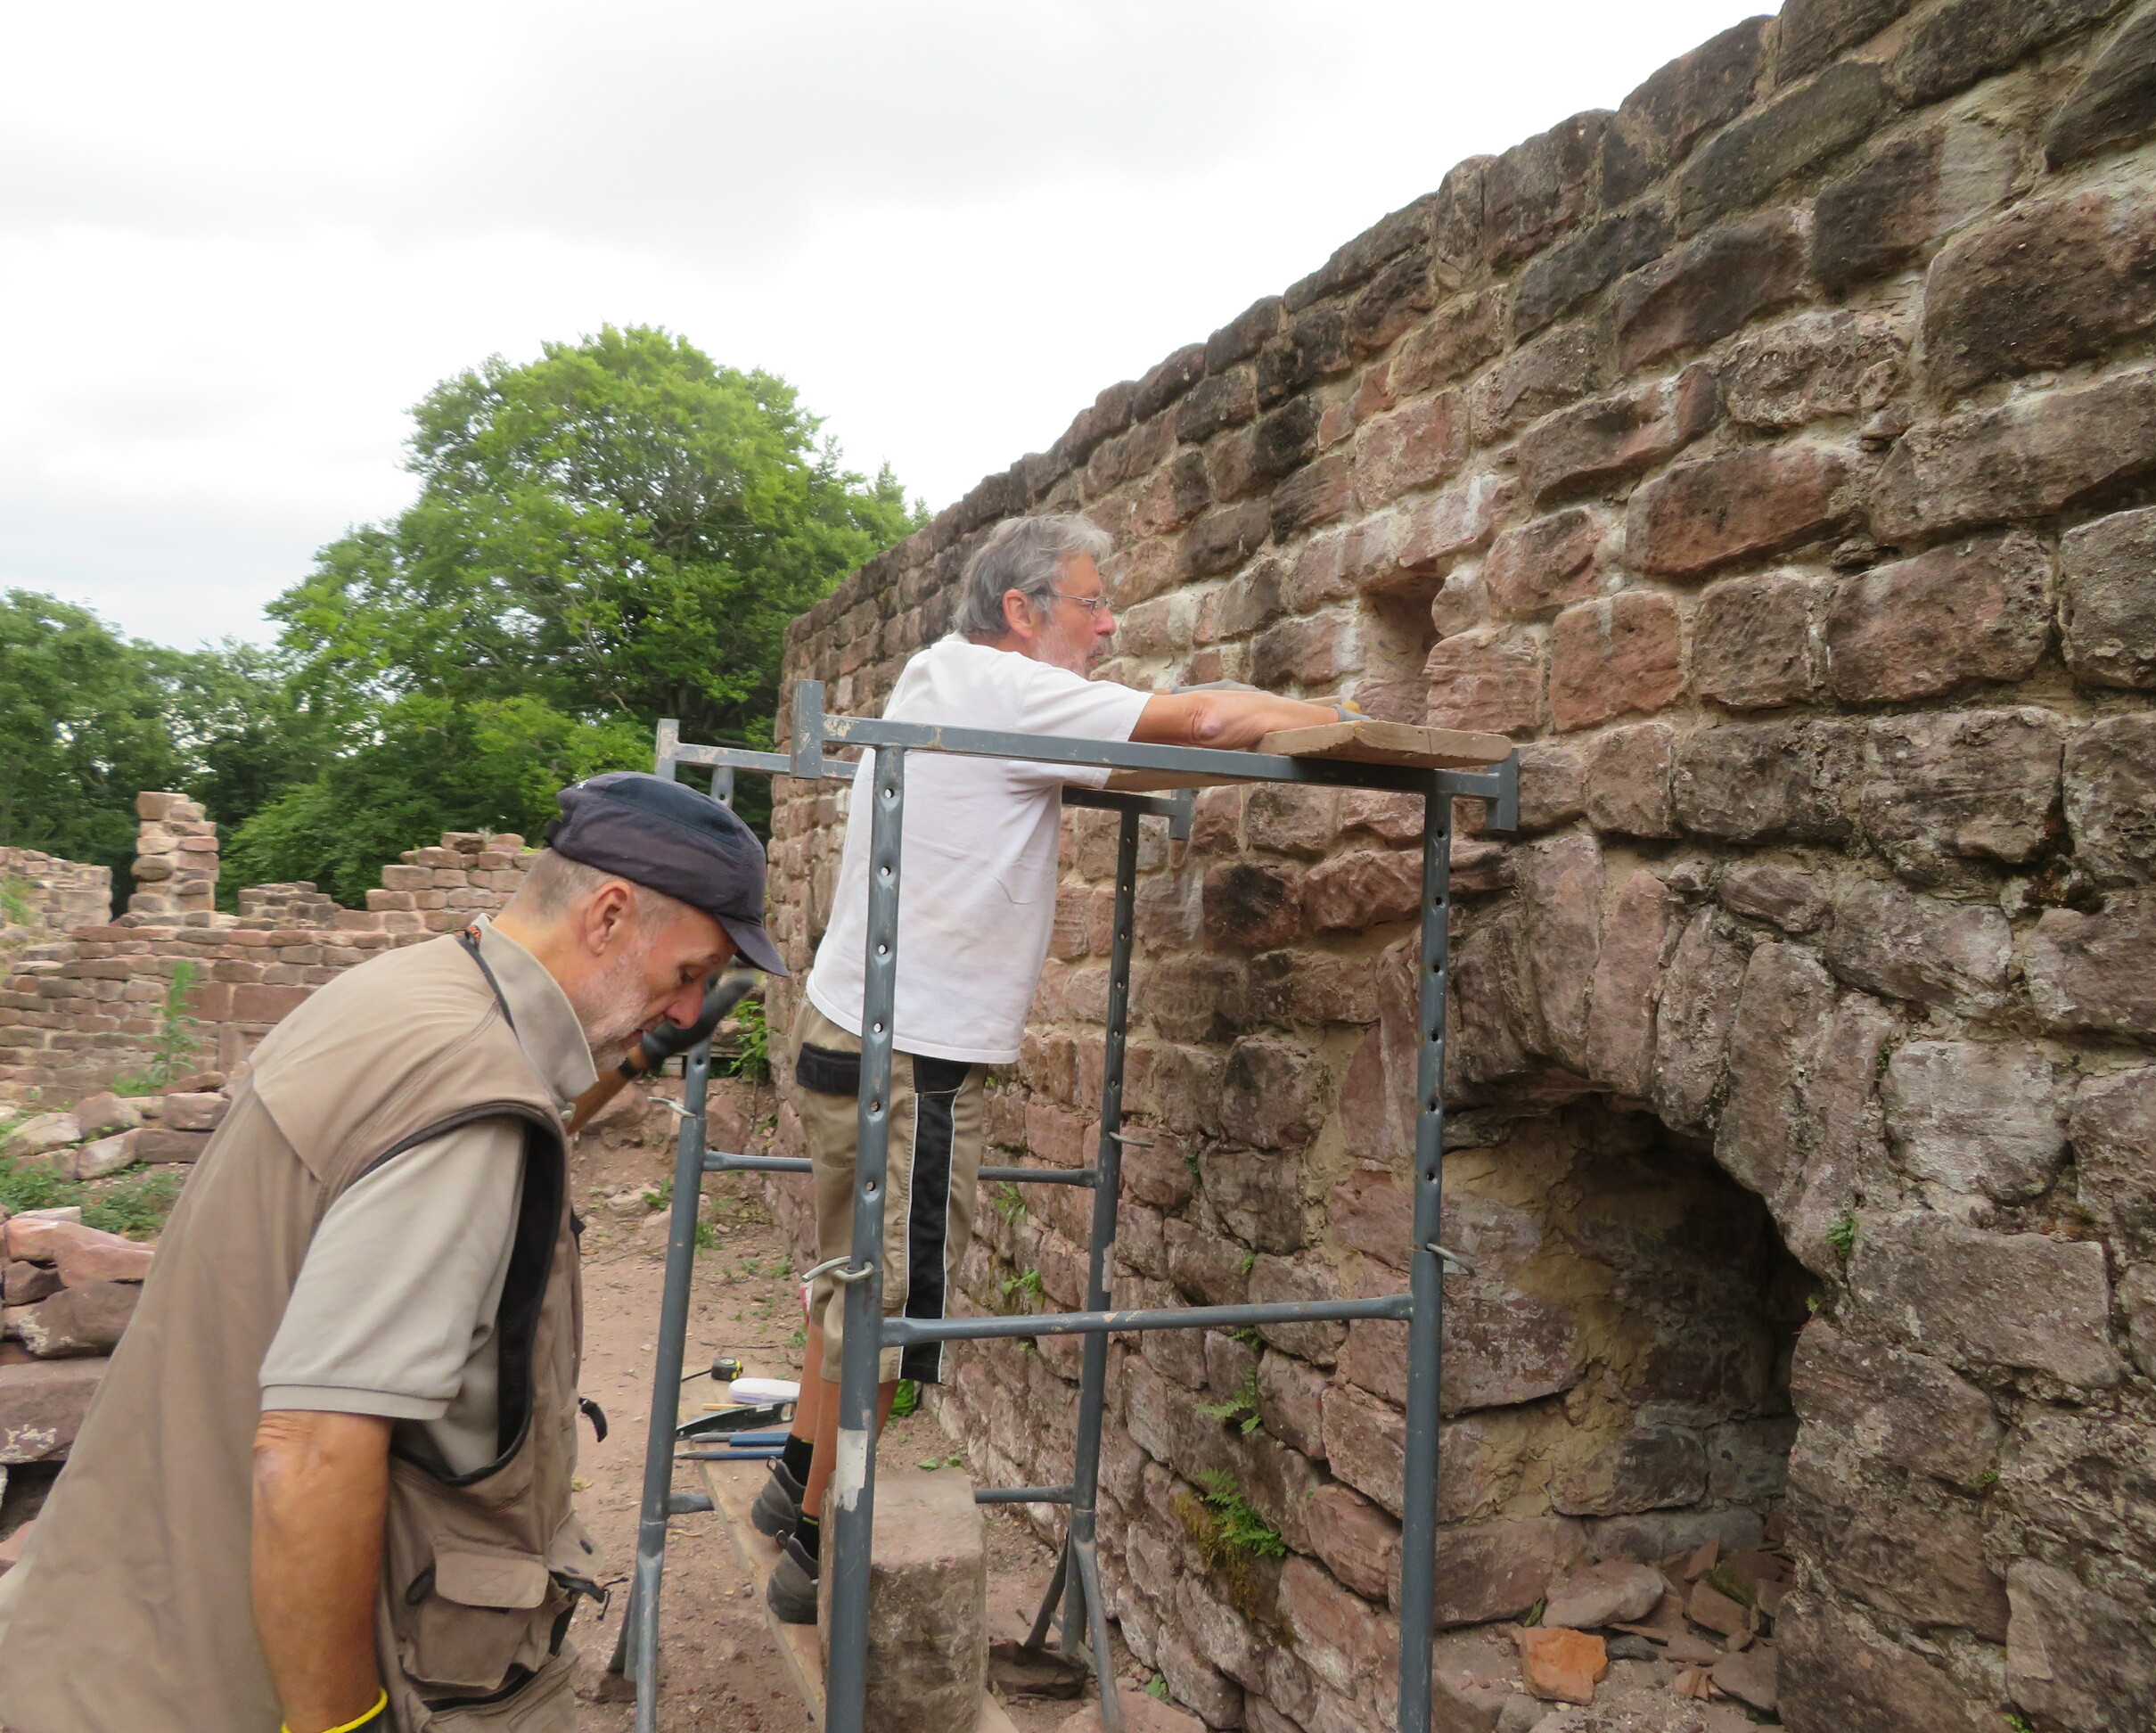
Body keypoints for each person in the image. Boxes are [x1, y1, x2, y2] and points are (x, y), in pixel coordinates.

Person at [0, 772, 784, 1733]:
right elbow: (310, 1450)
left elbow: (515, 1108)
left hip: (123, 1628)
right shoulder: (466, 1097)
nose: (691, 1007)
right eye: (690, 972)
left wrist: (639, 1053)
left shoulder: (410, 996)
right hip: (235, 1684)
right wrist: (341, 1724)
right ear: (611, 915)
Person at [754, 513, 1338, 1621]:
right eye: (1092, 602)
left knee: (849, 1281)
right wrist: (1341, 720)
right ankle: (819, 1555)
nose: (1110, 625)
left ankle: (791, 1484)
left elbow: (1133, 751)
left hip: (857, 1036)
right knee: (885, 1315)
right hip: (912, 1062)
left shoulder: (943, 674)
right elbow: (1210, 718)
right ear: (1021, 612)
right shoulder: (1005, 690)